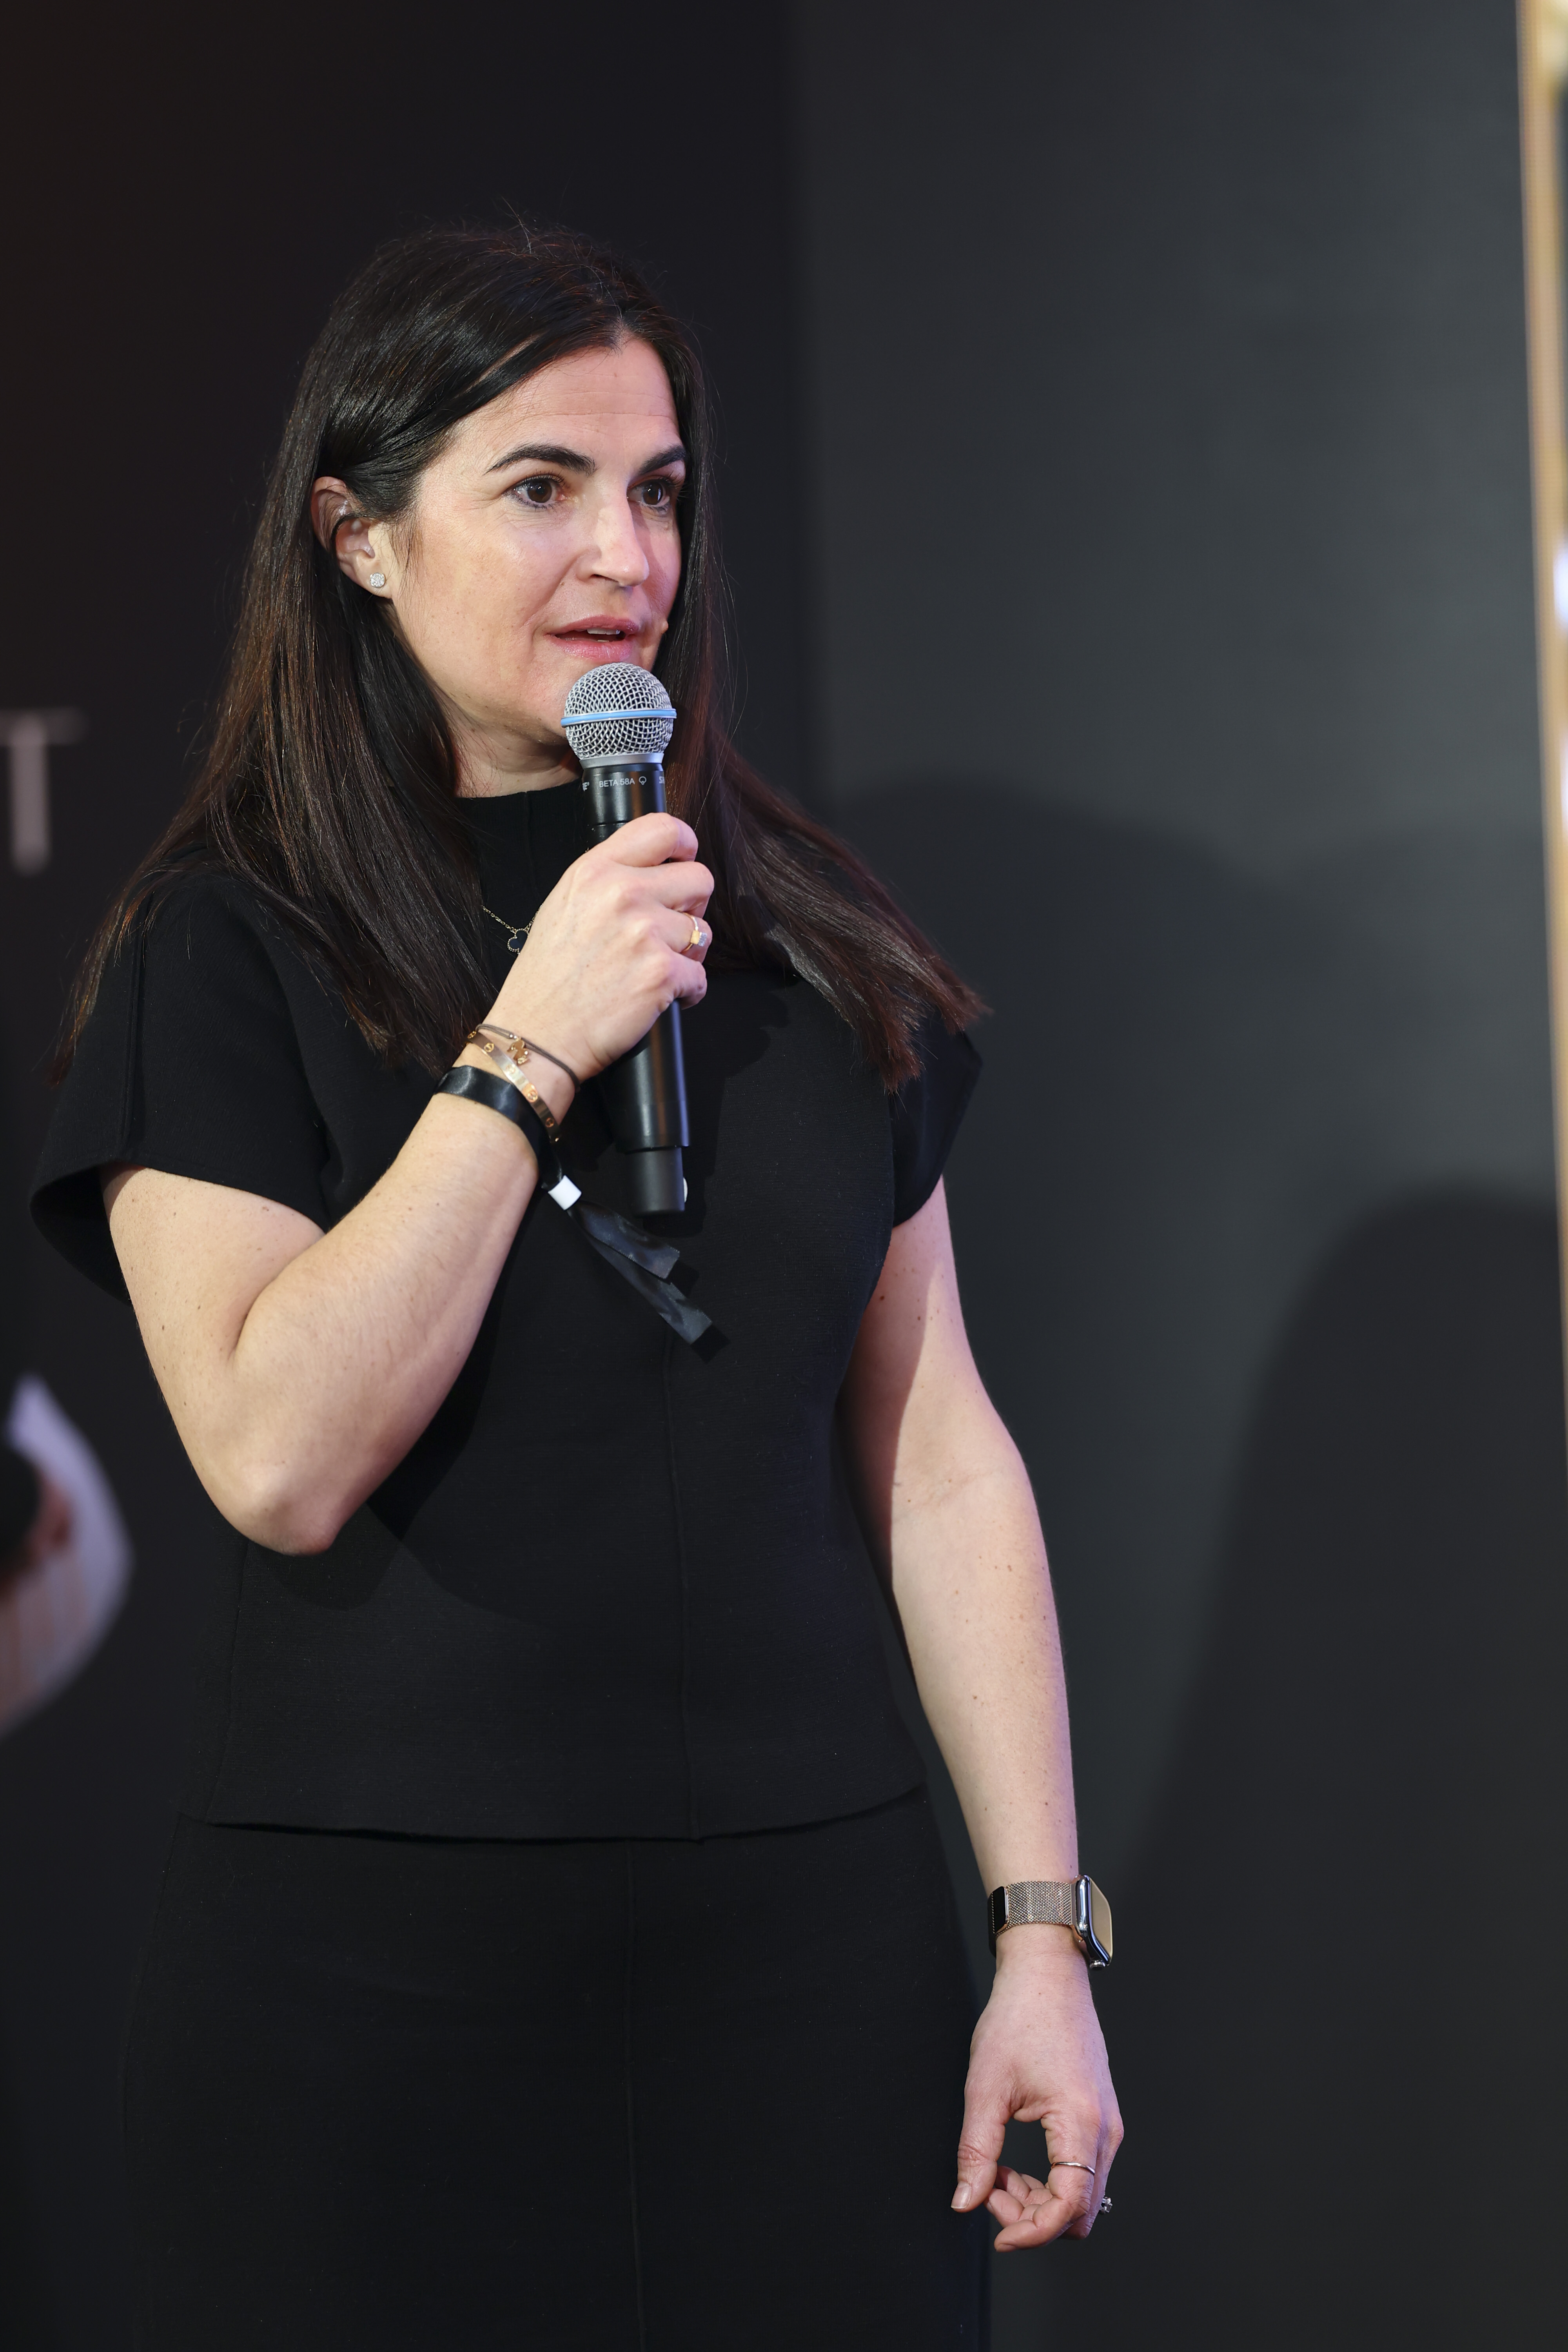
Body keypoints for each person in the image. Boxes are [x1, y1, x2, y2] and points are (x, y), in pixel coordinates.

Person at [32, 224, 1120, 2349]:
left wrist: (1038, 1938)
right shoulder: (228, 947)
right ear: (356, 536)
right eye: (542, 486)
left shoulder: (797, 935)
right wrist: (528, 1047)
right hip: (375, 1991)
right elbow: (279, 1454)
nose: (626, 555)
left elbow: (938, 1454)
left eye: (658, 490)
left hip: (809, 1971)